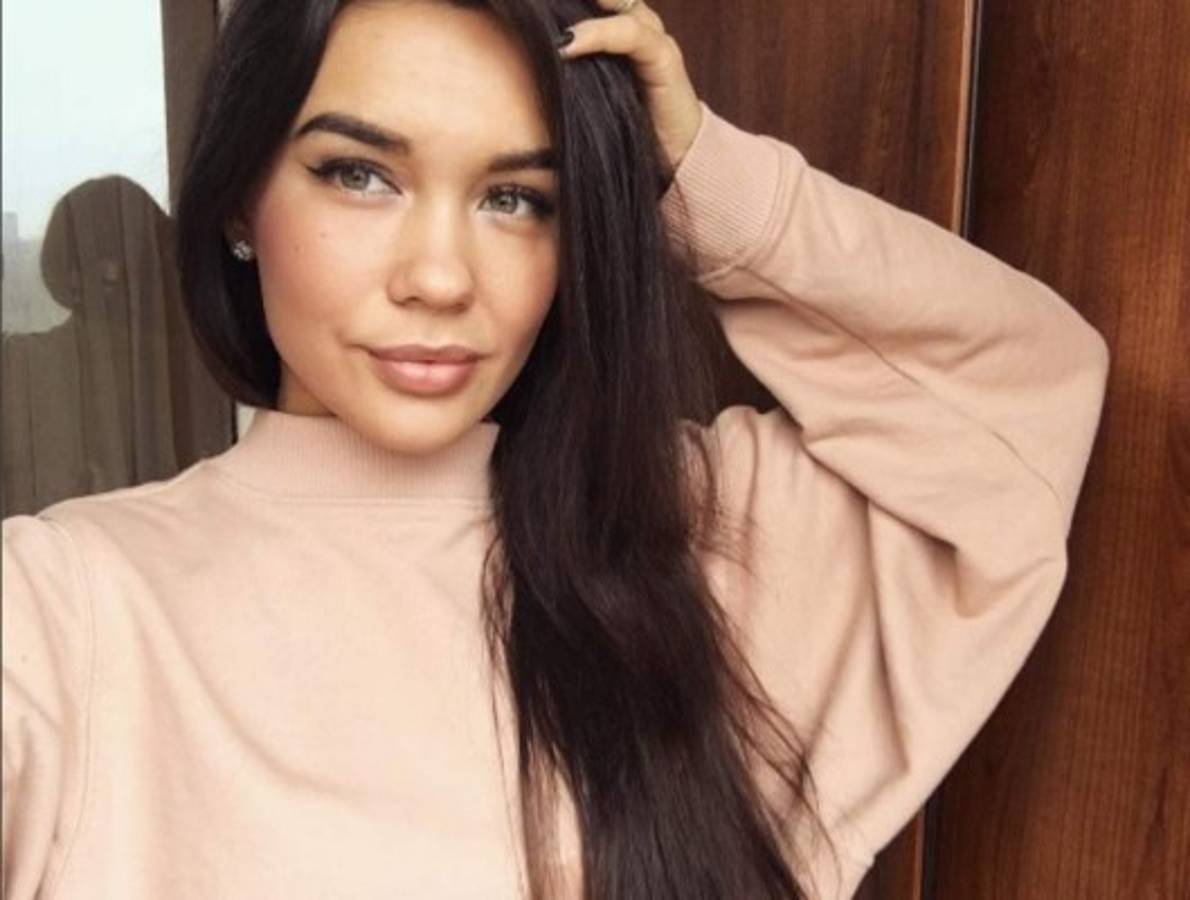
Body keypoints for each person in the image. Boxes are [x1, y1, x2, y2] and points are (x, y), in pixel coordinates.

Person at [0, 0, 1110, 898]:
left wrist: (698, 174)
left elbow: (1021, 391)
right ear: (242, 201)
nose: (440, 277)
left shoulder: (696, 536)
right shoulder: (60, 612)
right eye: (360, 174)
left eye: (516, 198)